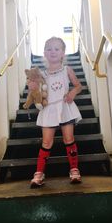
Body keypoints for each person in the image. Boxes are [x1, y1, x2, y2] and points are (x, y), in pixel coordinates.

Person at [30, 36, 82, 188]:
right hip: (49, 109)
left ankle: (74, 169)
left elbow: (78, 86)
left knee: (68, 138)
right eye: (49, 49)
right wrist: (33, 87)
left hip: (65, 107)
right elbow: (36, 93)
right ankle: (39, 173)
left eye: (56, 49)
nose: (52, 51)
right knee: (46, 141)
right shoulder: (41, 74)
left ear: (63, 54)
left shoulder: (67, 70)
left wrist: (73, 93)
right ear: (44, 53)